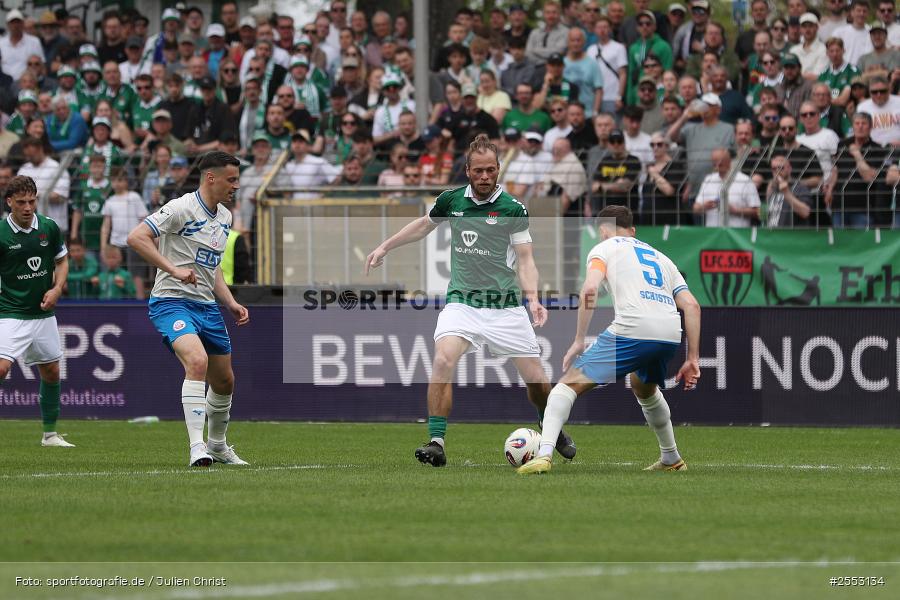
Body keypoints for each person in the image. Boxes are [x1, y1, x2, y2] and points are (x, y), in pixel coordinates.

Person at [364, 134, 576, 467]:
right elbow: (423, 226)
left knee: (537, 382)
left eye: (491, 170)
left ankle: (549, 424)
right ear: (467, 170)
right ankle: (436, 441)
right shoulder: (451, 201)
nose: (484, 177)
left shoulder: (512, 208)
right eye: (478, 171)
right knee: (443, 360)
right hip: (462, 302)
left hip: (505, 307)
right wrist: (384, 247)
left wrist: (533, 298)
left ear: (498, 169)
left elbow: (525, 259)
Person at [517, 204, 700, 475]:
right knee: (644, 388)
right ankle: (671, 458)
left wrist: (579, 339)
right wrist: (693, 357)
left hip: (633, 329)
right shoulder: (662, 258)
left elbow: (590, 289)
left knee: (563, 390)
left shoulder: (604, 247)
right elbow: (692, 306)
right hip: (669, 334)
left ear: (603, 231)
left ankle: (543, 455)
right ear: (633, 230)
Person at [127, 151, 250, 467]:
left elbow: (213, 267)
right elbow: (137, 237)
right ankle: (198, 448)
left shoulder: (225, 217)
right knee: (197, 361)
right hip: (171, 302)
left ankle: (218, 445)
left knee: (225, 381)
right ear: (211, 177)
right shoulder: (181, 207)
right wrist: (173, 269)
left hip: (207, 306)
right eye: (231, 179)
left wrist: (231, 302)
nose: (236, 186)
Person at [0, 175, 73, 447]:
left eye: (32, 201)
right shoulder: (1, 234)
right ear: (10, 202)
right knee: (1, 369)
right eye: (21, 203)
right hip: (10, 312)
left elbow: (62, 261)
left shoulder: (49, 227)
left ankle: (50, 435)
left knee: (52, 372)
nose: (28, 207)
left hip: (42, 315)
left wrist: (57, 289)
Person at [693, 148, 760, 226]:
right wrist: (704, 206)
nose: (717, 166)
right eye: (714, 163)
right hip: (713, 234)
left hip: (737, 235)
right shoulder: (708, 180)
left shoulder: (745, 181)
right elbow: (695, 208)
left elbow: (758, 212)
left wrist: (735, 211)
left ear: (729, 162)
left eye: (720, 164)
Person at [766, 153, 813, 228]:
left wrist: (786, 193)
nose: (777, 171)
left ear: (789, 169)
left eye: (780, 168)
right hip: (772, 236)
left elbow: (806, 212)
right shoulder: (773, 188)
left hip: (790, 237)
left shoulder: (799, 187)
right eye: (774, 169)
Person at [856, 75, 900, 146]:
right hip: (872, 150)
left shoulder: (898, 102)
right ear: (869, 92)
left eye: (883, 91)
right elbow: (859, 132)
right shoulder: (862, 107)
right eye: (874, 92)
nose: (878, 94)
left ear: (889, 90)